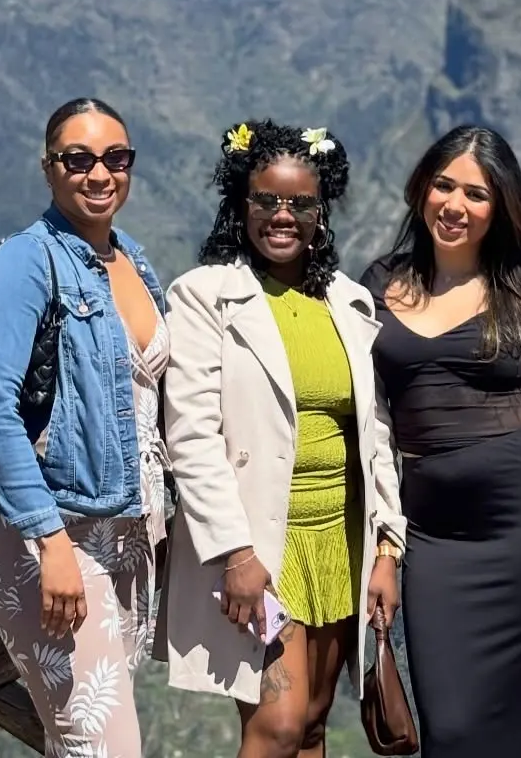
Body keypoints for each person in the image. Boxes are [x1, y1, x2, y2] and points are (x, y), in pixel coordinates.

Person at [361, 124, 521, 758]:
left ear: (499, 207)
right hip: (434, 538)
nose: (455, 205)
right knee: (452, 729)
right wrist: (385, 549)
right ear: (422, 190)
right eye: (444, 185)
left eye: (476, 194)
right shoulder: (377, 283)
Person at [162, 120, 405, 758]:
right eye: (266, 200)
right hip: (261, 547)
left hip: (339, 541)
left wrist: (387, 548)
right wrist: (235, 556)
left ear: (321, 213)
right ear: (240, 205)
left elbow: (375, 436)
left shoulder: (349, 305)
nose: (282, 215)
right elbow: (190, 434)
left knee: (316, 723)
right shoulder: (205, 298)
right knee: (277, 724)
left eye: (299, 203)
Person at [0, 97, 169, 758]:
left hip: (129, 538)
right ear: (49, 167)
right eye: (78, 159)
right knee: (105, 750)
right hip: (54, 542)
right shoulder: (20, 266)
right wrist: (50, 540)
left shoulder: (132, 259)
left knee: (78, 745)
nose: (99, 173)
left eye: (116, 158)